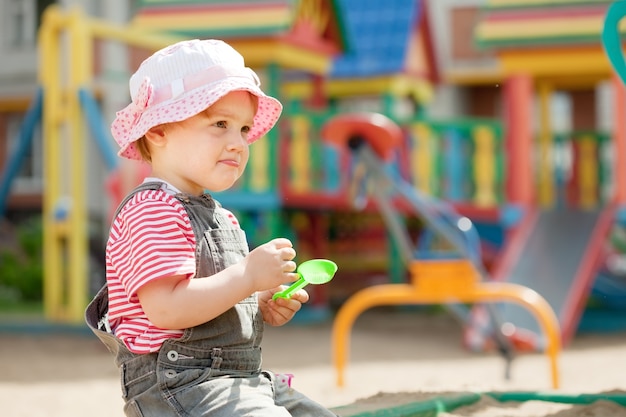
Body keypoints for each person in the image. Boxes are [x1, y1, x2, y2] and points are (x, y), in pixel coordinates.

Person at [86, 39, 337, 417]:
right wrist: (246, 276)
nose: (238, 143)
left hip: (237, 380)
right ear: (158, 130)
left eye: (244, 129)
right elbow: (168, 309)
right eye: (220, 124)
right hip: (180, 387)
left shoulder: (221, 216)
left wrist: (258, 300)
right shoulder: (152, 210)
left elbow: (215, 295)